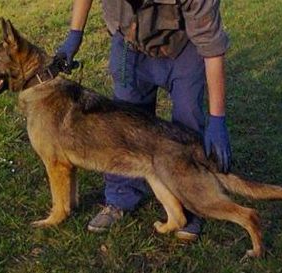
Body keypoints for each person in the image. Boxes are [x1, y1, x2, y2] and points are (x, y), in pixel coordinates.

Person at [57, 0, 232, 241]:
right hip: (131, 45)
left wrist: (217, 118)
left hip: (184, 47)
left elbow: (212, 49)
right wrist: (75, 34)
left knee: (186, 121)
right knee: (124, 128)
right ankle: (121, 196)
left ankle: (191, 203)